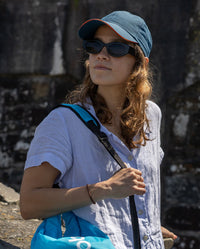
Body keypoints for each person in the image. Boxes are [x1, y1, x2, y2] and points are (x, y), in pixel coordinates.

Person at [20, 10, 177, 249]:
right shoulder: (62, 122)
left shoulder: (152, 115)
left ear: (140, 63)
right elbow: (29, 204)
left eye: (116, 48)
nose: (101, 55)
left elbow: (144, 191)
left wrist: (146, 226)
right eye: (94, 46)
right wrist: (103, 189)